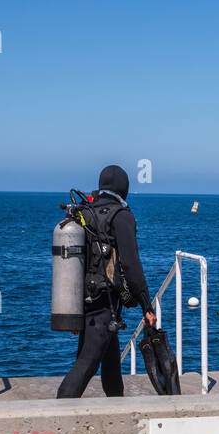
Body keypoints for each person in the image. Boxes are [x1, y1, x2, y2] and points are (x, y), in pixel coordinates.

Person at [56, 165, 156, 398]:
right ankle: (56, 419)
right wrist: (146, 306)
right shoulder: (121, 217)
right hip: (102, 302)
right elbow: (132, 265)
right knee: (87, 364)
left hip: (83, 299)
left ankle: (118, 407)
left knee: (111, 364)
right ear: (124, 189)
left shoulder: (85, 213)